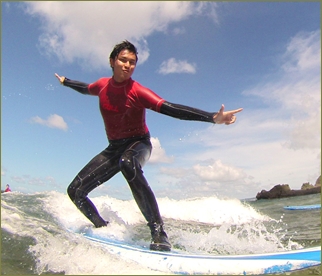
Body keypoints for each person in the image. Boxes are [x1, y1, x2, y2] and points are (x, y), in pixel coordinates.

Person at [55, 40, 243, 252]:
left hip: (138, 143)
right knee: (75, 191)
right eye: (123, 60)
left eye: (132, 62)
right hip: (114, 147)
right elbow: (85, 88)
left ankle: (158, 232)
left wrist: (211, 117)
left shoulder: (137, 91)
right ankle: (101, 227)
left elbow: (170, 108)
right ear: (112, 61)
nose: (128, 65)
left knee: (128, 163)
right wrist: (66, 82)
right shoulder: (101, 85)